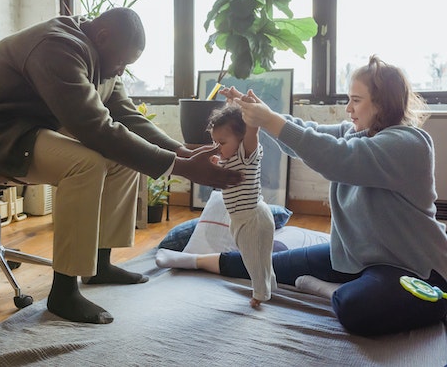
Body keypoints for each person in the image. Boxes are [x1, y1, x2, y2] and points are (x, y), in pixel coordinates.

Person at [0, 7, 243, 325]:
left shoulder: (102, 57)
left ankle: (99, 264)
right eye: (121, 62)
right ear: (103, 36)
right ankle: (63, 292)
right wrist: (183, 168)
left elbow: (126, 114)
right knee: (86, 163)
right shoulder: (56, 47)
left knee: (123, 160)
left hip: (27, 128)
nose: (121, 71)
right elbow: (93, 127)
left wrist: (181, 152)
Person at [164, 55, 447, 337]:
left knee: (355, 307)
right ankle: (194, 260)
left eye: (356, 100)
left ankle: (332, 291)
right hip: (356, 258)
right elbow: (308, 136)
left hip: (414, 268)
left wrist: (270, 120)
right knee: (263, 264)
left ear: (383, 103)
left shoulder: (409, 144)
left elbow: (336, 157)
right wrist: (258, 113)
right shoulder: (357, 133)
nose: (348, 108)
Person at [207, 100, 276, 307]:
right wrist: (215, 164)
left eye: (222, 142)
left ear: (241, 138)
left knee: (255, 261)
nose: (217, 148)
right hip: (241, 219)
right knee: (257, 258)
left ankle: (260, 294)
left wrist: (251, 118)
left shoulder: (246, 154)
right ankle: (270, 285)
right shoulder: (228, 158)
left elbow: (252, 133)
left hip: (253, 218)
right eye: (215, 143)